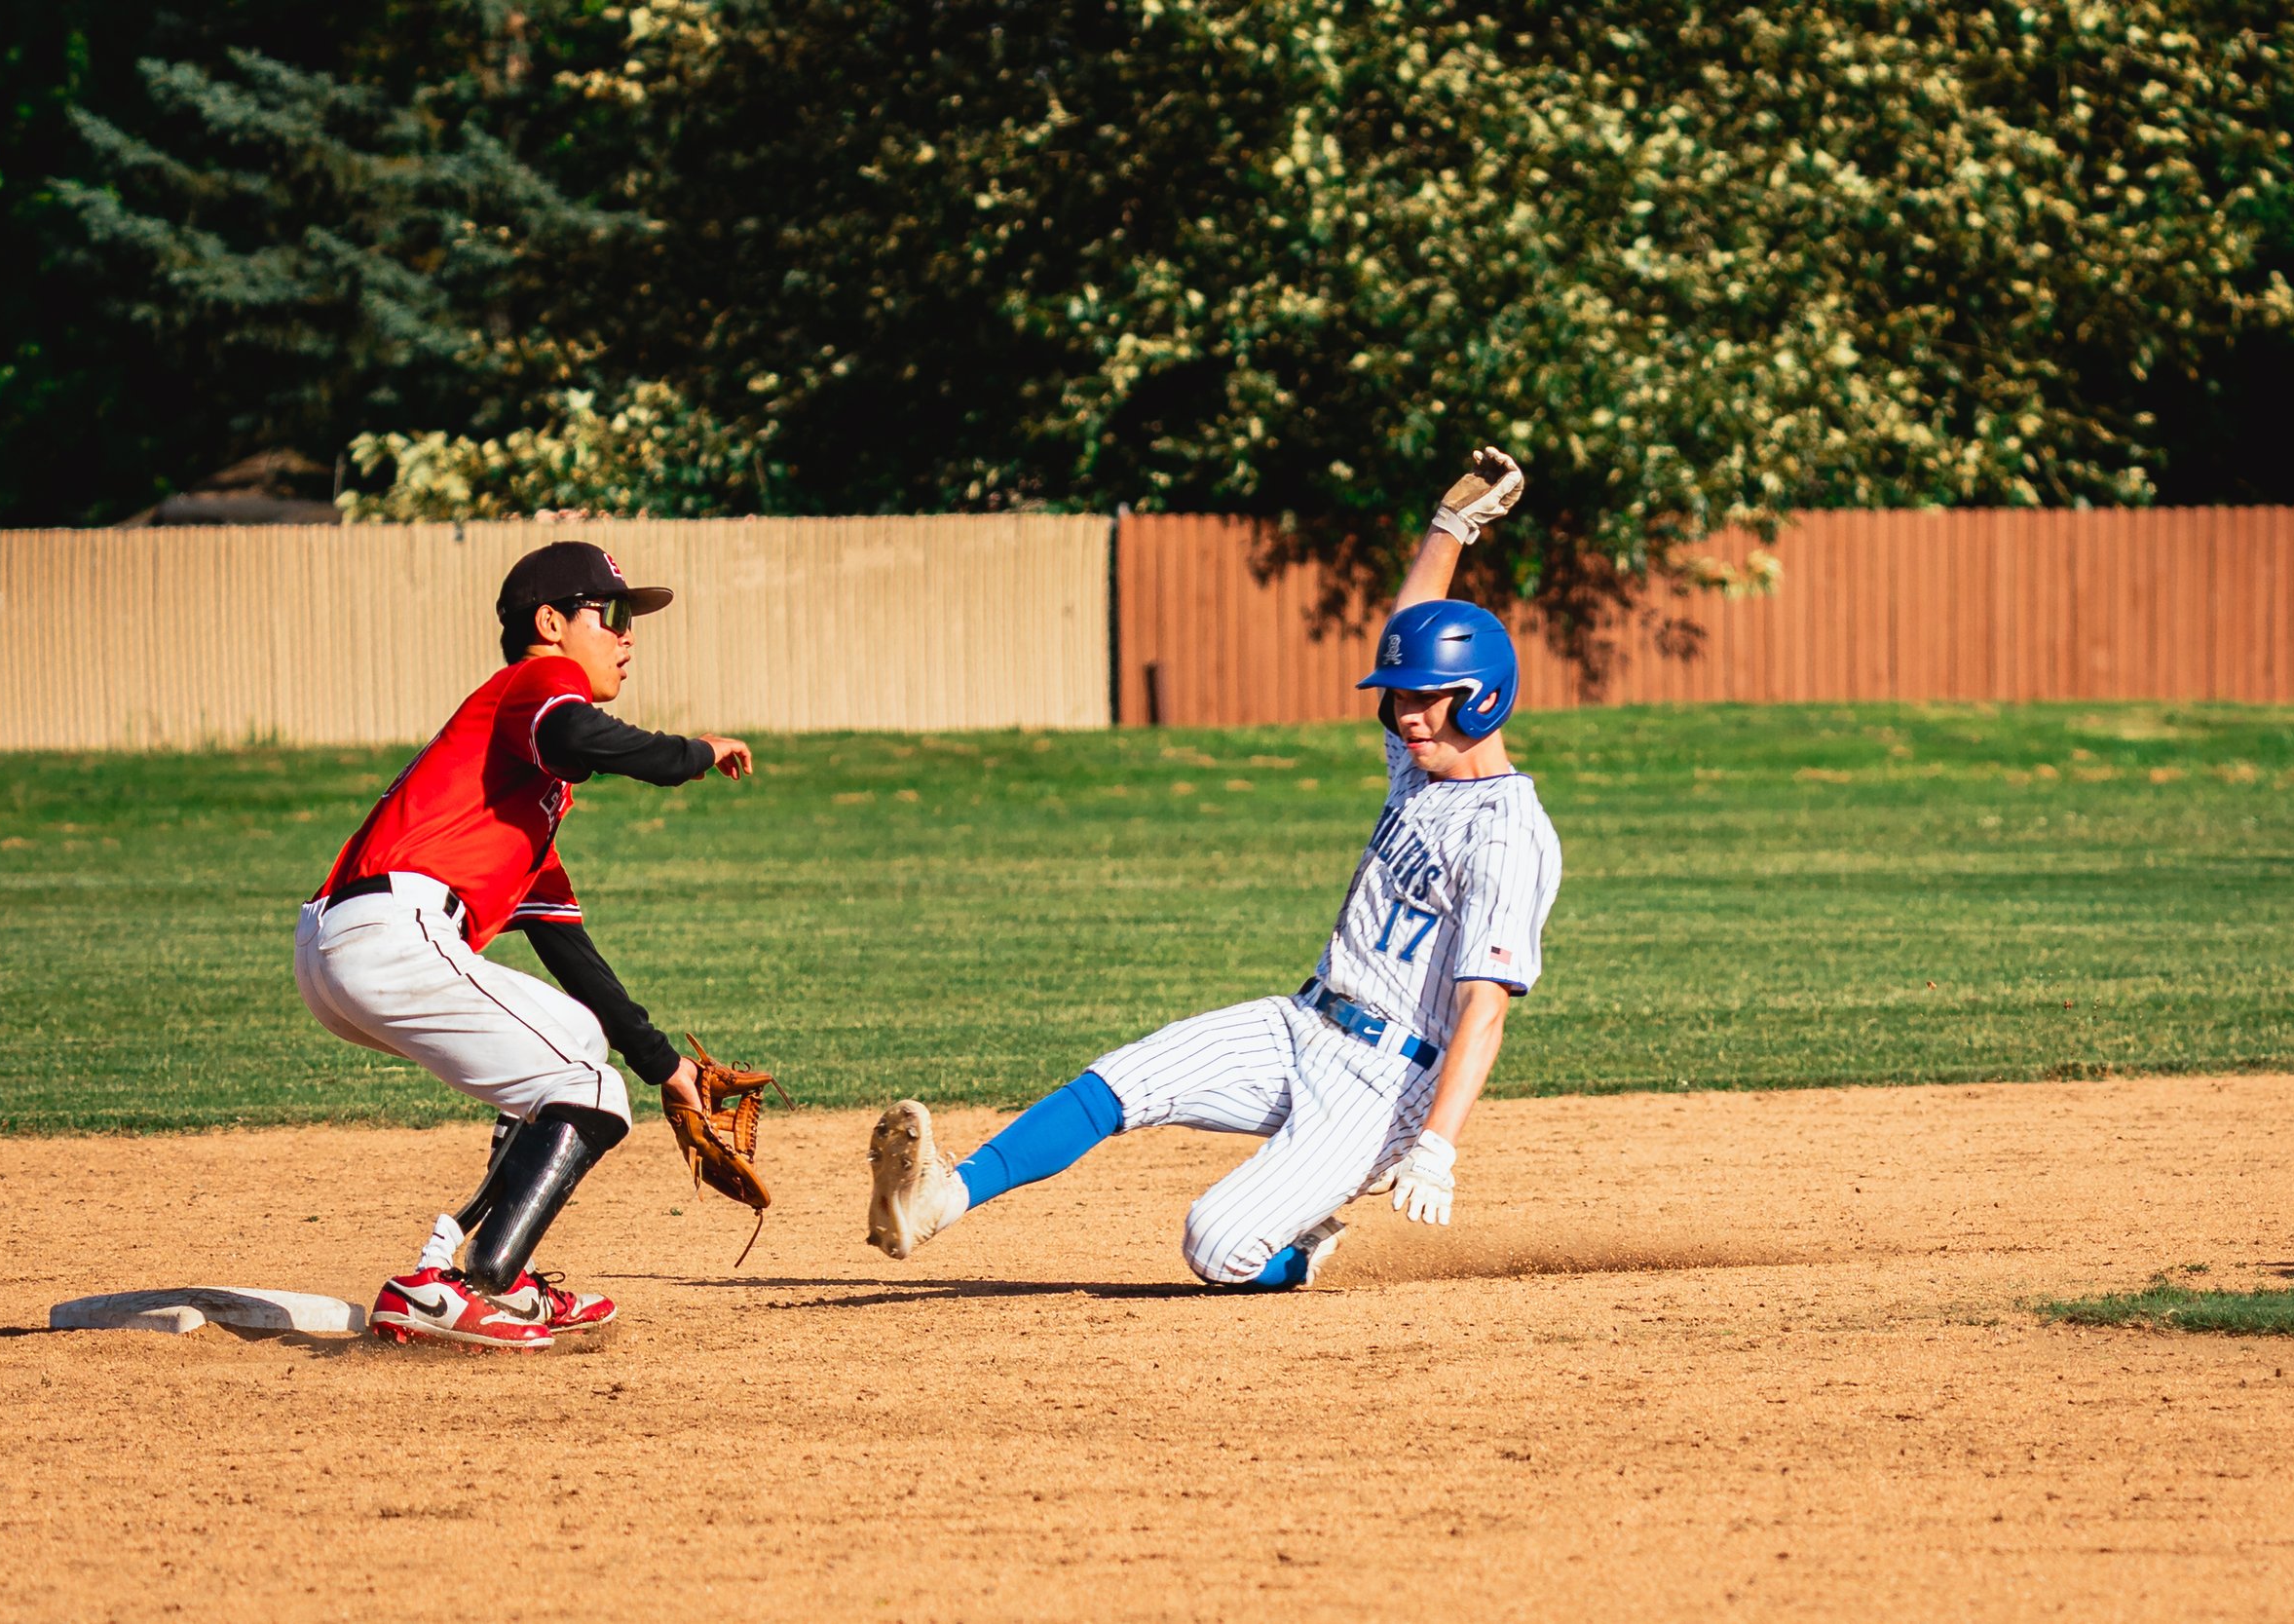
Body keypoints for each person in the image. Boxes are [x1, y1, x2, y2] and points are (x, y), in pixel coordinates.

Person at [864, 449, 1561, 1287]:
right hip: (1302, 1020)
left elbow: (1484, 1008)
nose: (1404, 712)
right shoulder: (1423, 764)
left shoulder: (1509, 834)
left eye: (1423, 698)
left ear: (1481, 695)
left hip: (1387, 1085)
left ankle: (1298, 1249)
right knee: (1121, 1080)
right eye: (1399, 698)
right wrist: (1451, 529)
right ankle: (945, 1196)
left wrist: (1437, 1146)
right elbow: (1411, 625)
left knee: (1216, 1242)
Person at [295, 540, 753, 1347]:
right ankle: (463, 1287)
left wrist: (669, 1068)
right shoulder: (537, 682)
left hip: (357, 940)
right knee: (590, 1091)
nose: (626, 636)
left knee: (576, 1046)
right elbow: (580, 733)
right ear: (550, 622)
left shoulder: (521, 800)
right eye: (607, 615)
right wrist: (691, 754)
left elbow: (569, 952)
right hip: (389, 932)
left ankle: (476, 1276)